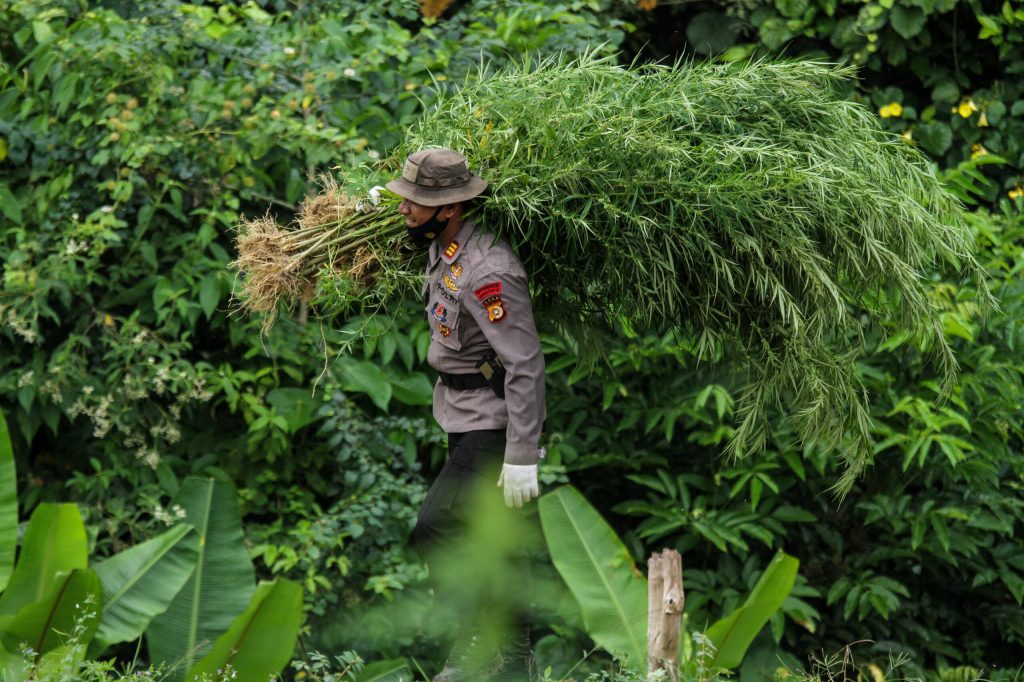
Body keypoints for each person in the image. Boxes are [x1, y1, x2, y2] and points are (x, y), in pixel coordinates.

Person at [386, 148, 546, 681]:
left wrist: (523, 453)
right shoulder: (443, 243)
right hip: (458, 411)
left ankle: (478, 638)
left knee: (436, 525)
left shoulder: (488, 271)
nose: (404, 208)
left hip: (493, 422)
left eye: (416, 202)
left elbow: (525, 362)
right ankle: (516, 658)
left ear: (449, 208)